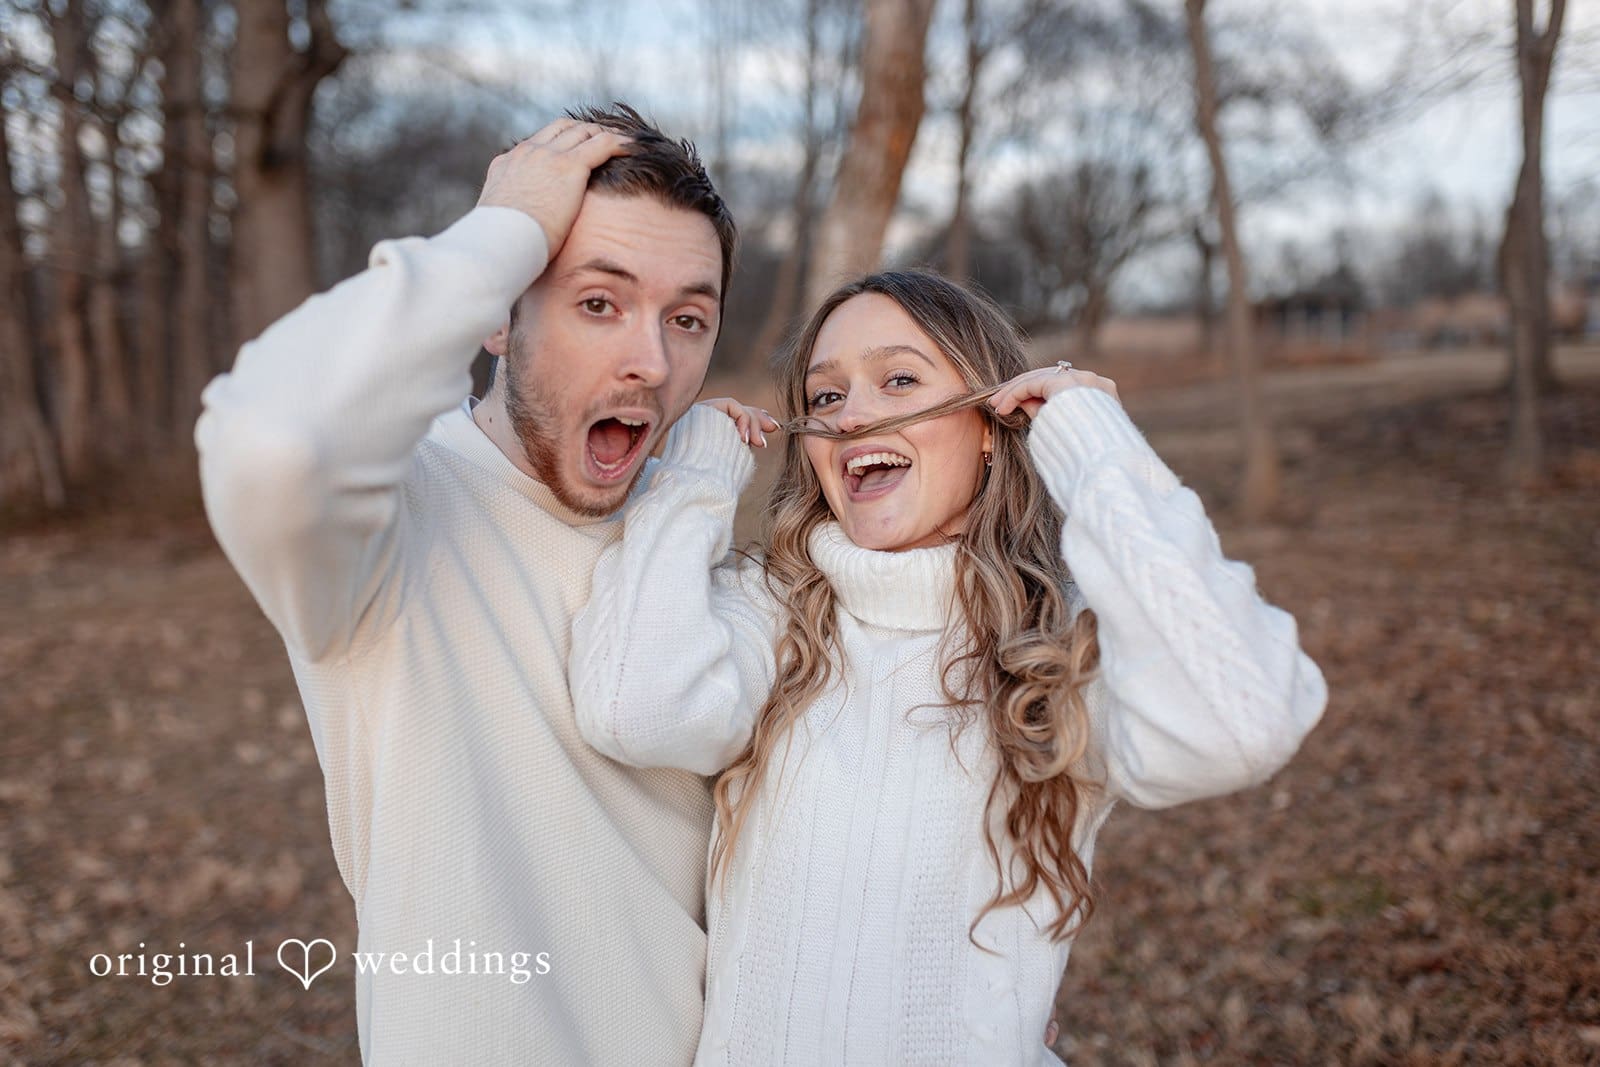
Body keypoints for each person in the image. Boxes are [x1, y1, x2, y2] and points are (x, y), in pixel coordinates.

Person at [570, 270, 1329, 1064]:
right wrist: (691, 477)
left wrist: (1091, 442)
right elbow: (633, 705)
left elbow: (1240, 723)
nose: (853, 413)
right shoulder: (775, 612)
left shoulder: (1056, 645)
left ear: (990, 426)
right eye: (826, 398)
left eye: (900, 380)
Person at [197, 105, 744, 1063]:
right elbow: (272, 443)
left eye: (687, 319)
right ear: (497, 311)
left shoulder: (686, 522)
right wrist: (501, 234)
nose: (651, 363)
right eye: (598, 303)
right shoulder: (394, 524)